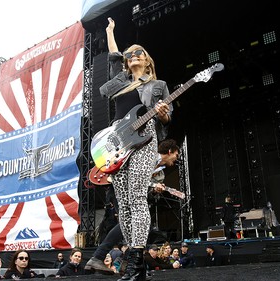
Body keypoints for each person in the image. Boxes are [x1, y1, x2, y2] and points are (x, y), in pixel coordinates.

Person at [97, 15, 173, 281]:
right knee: (124, 203)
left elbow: (167, 117)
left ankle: (136, 260)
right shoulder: (120, 81)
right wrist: (110, 31)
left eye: (137, 53)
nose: (132, 56)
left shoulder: (158, 86)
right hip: (119, 142)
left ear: (147, 58)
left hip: (145, 139)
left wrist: (162, 113)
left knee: (137, 196)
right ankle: (136, 263)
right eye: (130, 55)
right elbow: (113, 56)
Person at [85, 139, 180, 278]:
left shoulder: (160, 173)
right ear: (169, 151)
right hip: (118, 186)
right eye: (176, 155)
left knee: (138, 226)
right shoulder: (149, 155)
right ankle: (99, 257)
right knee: (129, 223)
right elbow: (132, 174)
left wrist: (154, 189)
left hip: (130, 192)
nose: (176, 160)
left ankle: (129, 265)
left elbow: (140, 187)